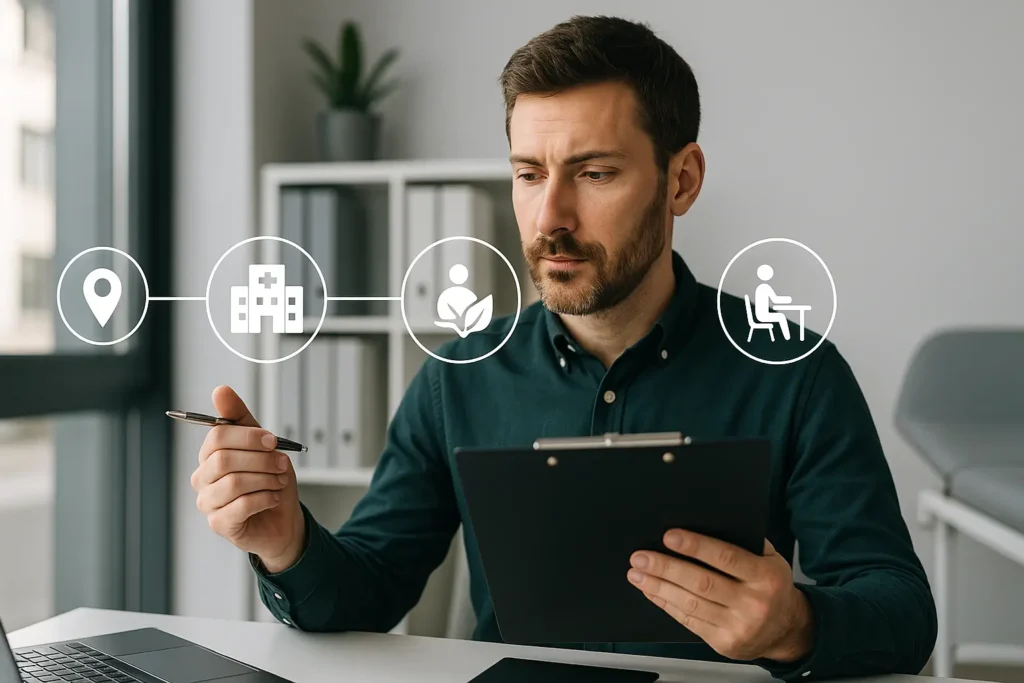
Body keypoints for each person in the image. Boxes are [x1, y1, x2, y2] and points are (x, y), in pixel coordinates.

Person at [190, 15, 936, 681]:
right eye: (529, 174)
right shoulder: (456, 379)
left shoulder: (798, 374)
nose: (551, 216)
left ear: (681, 180)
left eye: (595, 173)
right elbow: (368, 592)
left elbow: (902, 610)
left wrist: (796, 624)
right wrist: (285, 543)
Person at [753, 264, 793, 340]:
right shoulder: (765, 288)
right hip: (762, 315)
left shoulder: (761, 287)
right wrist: (787, 299)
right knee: (781, 317)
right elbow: (775, 299)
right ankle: (787, 338)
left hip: (759, 313)